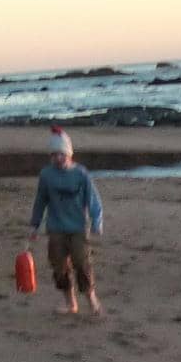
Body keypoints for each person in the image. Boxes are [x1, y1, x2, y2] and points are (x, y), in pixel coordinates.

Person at [28, 127, 103, 315]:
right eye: (54, 155)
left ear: (69, 154)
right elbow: (41, 201)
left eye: (61, 154)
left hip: (77, 227)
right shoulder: (47, 175)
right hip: (56, 228)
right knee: (59, 267)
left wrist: (96, 221)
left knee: (81, 263)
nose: (58, 159)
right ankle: (71, 303)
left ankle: (92, 300)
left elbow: (93, 200)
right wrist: (34, 225)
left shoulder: (81, 174)